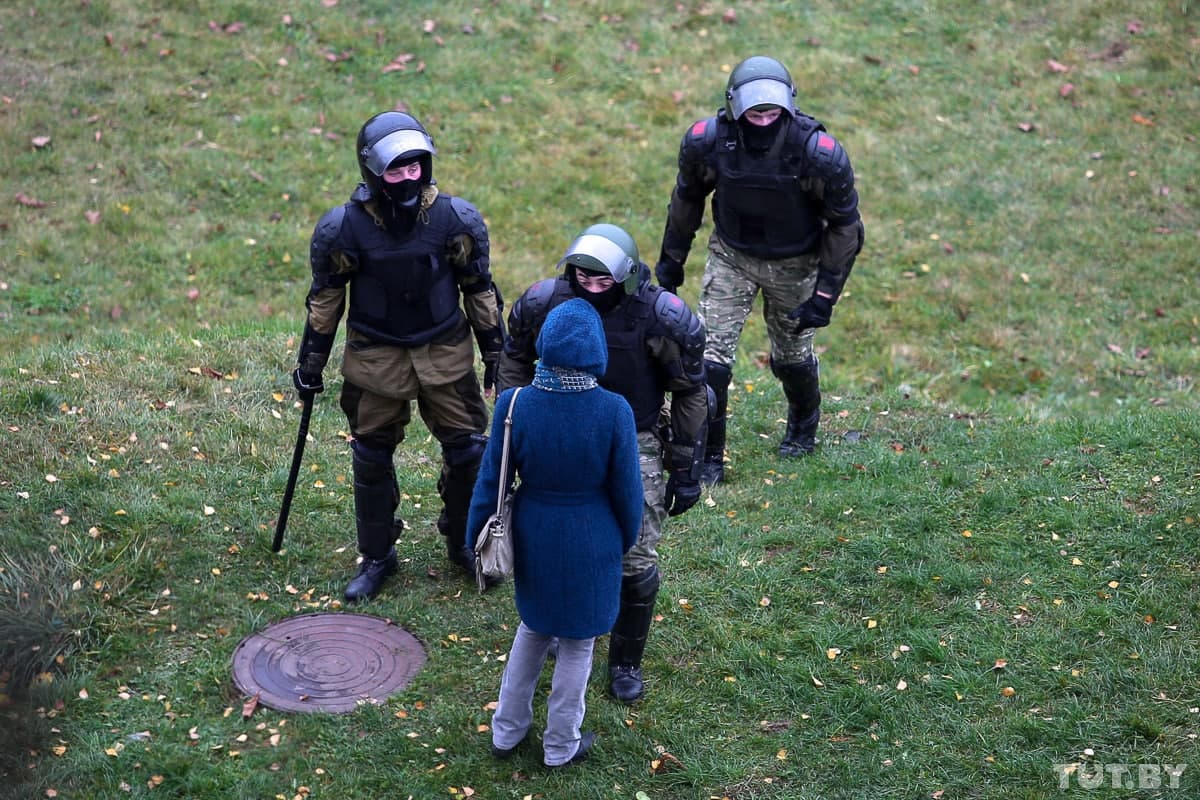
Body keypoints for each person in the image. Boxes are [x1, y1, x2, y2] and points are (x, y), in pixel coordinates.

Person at [291, 110, 506, 602]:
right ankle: (378, 555)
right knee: (370, 456)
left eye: (415, 166)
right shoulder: (342, 230)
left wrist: (496, 353)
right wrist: (310, 364)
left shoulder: (457, 220)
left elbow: (479, 289)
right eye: (395, 169)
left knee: (469, 450)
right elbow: (326, 299)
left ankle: (462, 541)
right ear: (372, 172)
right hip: (375, 357)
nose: (408, 177)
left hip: (445, 353)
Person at [496, 223, 707, 704]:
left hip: (635, 437)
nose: (591, 291)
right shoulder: (543, 304)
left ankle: (626, 661)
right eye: (582, 280)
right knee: (556, 536)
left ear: (627, 278)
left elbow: (692, 391)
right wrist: (513, 420)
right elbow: (513, 359)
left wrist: (684, 467)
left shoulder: (662, 319)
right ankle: (555, 625)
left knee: (634, 554)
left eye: (603, 282)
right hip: (561, 424)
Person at [654, 55, 865, 485]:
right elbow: (686, 200)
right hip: (732, 256)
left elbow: (845, 226)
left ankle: (803, 429)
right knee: (709, 359)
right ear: (734, 107)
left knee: (791, 358)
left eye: (771, 112)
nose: (763, 119)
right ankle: (709, 456)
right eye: (755, 112)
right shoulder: (707, 143)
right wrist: (671, 261)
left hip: (796, 263)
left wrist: (825, 295)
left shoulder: (818, 154)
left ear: (788, 107)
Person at [468, 298, 642, 768]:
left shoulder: (515, 403)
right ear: (595, 353)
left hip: (534, 531)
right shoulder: (613, 411)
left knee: (533, 629)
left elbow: (492, 481)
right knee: (579, 643)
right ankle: (560, 744)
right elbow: (629, 491)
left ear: (546, 347)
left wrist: (475, 538)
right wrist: (623, 540)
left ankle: (506, 731)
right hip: (594, 535)